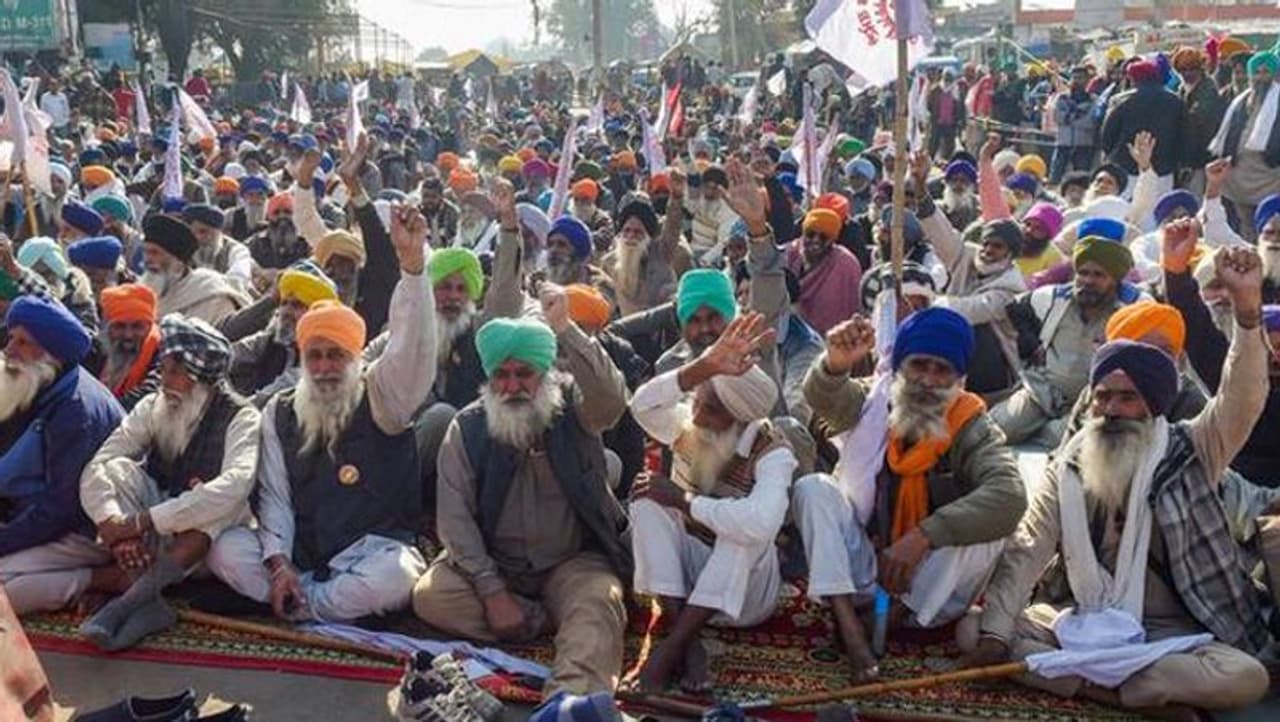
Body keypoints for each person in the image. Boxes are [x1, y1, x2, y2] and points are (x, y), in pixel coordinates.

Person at [965, 248, 1272, 715]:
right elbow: (1029, 547)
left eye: (1127, 399)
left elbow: (1241, 397)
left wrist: (1248, 316)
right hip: (1084, 620)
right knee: (975, 629)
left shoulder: (1193, 447)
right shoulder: (1070, 466)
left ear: (1152, 404)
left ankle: (1094, 685)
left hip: (1177, 632)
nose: (1111, 410)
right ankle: (1127, 697)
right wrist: (992, 638)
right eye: (1103, 397)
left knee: (1247, 677)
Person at [207, 203, 435, 623]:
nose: (325, 366)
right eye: (316, 355)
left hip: (370, 551)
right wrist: (279, 566)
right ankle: (298, 593)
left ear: (355, 357)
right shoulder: (281, 409)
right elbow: (276, 498)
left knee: (398, 575)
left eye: (336, 355)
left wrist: (414, 269)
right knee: (226, 550)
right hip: (303, 552)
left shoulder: (383, 395)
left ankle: (303, 603)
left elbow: (413, 349)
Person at [411, 299, 630, 698]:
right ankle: (552, 622)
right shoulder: (468, 428)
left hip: (572, 562)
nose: (511, 387)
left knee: (600, 601)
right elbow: (455, 521)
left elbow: (613, 399)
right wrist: (492, 590)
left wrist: (567, 329)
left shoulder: (576, 412)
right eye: (502, 375)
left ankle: (568, 702)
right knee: (431, 598)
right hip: (500, 567)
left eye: (523, 374)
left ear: (545, 373)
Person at [794, 307, 1025, 682]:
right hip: (864, 570)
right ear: (900, 367)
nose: (928, 381)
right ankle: (851, 629)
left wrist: (923, 536)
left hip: (929, 588)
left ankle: (893, 618)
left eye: (942, 370)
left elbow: (1010, 495)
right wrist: (835, 364)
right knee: (812, 488)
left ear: (960, 378)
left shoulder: (972, 426)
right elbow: (826, 399)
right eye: (918, 365)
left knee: (992, 528)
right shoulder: (874, 403)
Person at [629, 312, 797, 692]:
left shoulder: (772, 452)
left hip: (746, 598)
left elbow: (762, 524)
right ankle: (686, 642)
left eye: (713, 410)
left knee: (743, 532)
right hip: (688, 584)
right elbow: (641, 406)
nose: (699, 415)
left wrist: (686, 502)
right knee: (645, 499)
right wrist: (701, 368)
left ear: (740, 420)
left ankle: (671, 647)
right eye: (699, 401)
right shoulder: (690, 425)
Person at [78, 314, 260, 650]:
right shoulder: (154, 405)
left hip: (205, 542)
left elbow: (236, 485)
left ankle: (128, 603)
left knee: (218, 501)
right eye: (163, 368)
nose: (164, 379)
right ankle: (149, 604)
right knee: (117, 469)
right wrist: (115, 527)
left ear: (200, 379)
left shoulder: (242, 417)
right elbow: (99, 464)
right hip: (155, 529)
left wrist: (141, 522)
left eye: (175, 372)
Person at [0, 295, 124, 614]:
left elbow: (61, 509)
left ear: (51, 354)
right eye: (11, 338)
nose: (9, 350)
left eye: (24, 343)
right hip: (28, 515)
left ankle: (103, 579)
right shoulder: (31, 381)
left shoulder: (76, 412)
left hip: (85, 530)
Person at [997, 225, 1143, 447]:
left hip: (1092, 402)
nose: (1087, 281)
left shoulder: (1134, 308)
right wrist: (1030, 347)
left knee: (1056, 443)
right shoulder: (1056, 297)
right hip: (1043, 389)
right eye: (1082, 273)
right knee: (993, 431)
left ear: (1115, 280)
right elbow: (1015, 308)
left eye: (1098, 275)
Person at [1211, 51, 1280, 241]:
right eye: (1256, 72)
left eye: (1266, 72)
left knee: (1271, 227)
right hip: (1240, 178)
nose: (1261, 77)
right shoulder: (1240, 102)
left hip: (1272, 178)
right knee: (1247, 228)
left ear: (1276, 75)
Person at [139, 215, 249, 325]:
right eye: (145, 252)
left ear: (177, 261)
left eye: (155, 253)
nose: (147, 260)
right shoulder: (140, 289)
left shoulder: (212, 295)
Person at [1100, 59, 1185, 196]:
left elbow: (1107, 136)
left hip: (1126, 167)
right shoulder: (1175, 101)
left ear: (1132, 78)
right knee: (1159, 211)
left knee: (1127, 211)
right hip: (1163, 168)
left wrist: (1110, 155)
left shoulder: (1120, 100)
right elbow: (1183, 135)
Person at [599, 186, 681, 317]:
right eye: (627, 230)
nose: (631, 236)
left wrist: (676, 199)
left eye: (637, 232)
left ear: (648, 236)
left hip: (660, 326)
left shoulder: (661, 253)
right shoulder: (608, 262)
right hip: (622, 328)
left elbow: (673, 228)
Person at [786, 207, 863, 336]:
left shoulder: (845, 265)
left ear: (833, 240)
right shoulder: (789, 255)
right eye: (810, 234)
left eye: (823, 237)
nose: (816, 240)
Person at [97, 284, 163, 411]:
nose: (128, 335)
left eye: (137, 327)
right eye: (120, 326)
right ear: (107, 329)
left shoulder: (162, 352)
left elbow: (150, 393)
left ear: (149, 327)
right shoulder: (97, 349)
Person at [182, 204, 254, 294]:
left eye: (203, 231)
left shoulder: (236, 250)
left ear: (218, 231)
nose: (198, 237)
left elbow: (238, 281)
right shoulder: (184, 250)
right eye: (193, 233)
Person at [1050, 66, 1096, 185]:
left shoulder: (1093, 100)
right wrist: (1077, 116)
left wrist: (1069, 118)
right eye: (1074, 78)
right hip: (1063, 143)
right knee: (1056, 176)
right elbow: (1057, 117)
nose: (1076, 81)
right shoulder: (1062, 98)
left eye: (1080, 78)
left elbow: (1090, 122)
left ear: (1087, 80)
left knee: (1082, 178)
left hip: (1083, 144)